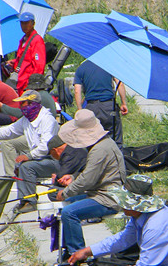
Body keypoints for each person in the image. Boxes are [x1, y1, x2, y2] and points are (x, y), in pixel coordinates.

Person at [54, 109, 126, 254]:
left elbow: (87, 180)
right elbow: (91, 173)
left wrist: (66, 192)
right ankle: (68, 249)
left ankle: (77, 253)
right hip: (101, 192)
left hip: (109, 198)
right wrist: (73, 178)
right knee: (70, 202)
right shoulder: (103, 144)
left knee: (69, 212)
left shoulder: (99, 150)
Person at [0, 89, 59, 183]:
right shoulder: (26, 119)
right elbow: (9, 130)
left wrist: (28, 156)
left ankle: (27, 197)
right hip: (38, 159)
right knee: (20, 166)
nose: (20, 106)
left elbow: (45, 147)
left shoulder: (48, 120)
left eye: (22, 103)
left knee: (24, 167)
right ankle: (13, 179)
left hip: (51, 161)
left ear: (32, 104)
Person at [73, 60, 128, 147]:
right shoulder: (108, 64)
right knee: (115, 139)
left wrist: (80, 110)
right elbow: (120, 84)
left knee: (92, 139)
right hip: (109, 106)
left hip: (91, 108)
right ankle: (116, 158)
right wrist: (123, 103)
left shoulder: (81, 68)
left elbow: (77, 91)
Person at [9, 11, 46, 95]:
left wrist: (33, 85)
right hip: (20, 83)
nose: (24, 26)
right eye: (22, 23)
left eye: (26, 23)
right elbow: (25, 59)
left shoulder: (37, 40)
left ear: (33, 23)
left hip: (28, 85)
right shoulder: (23, 40)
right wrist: (15, 62)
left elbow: (39, 66)